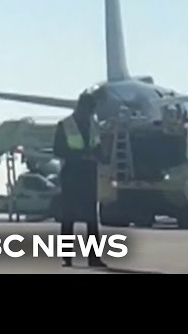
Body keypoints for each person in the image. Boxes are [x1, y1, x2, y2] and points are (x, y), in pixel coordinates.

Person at [53, 92, 107, 268]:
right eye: (88, 110)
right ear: (80, 107)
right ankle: (66, 257)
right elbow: (58, 150)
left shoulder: (93, 125)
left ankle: (94, 257)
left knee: (91, 219)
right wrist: (80, 155)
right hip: (71, 174)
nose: (90, 114)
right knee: (68, 218)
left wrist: (102, 156)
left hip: (88, 174)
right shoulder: (65, 125)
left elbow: (97, 145)